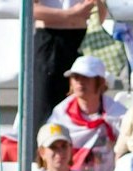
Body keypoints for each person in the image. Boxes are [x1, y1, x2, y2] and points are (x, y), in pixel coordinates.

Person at [46, 55, 126, 171]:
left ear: (100, 82)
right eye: (76, 77)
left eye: (86, 77)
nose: (79, 82)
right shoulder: (61, 113)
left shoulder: (117, 113)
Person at [32, 0, 101, 131]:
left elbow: (100, 14)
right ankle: (42, 149)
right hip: (50, 38)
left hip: (82, 38)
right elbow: (31, 10)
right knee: (45, 106)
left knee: (82, 103)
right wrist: (69, 14)